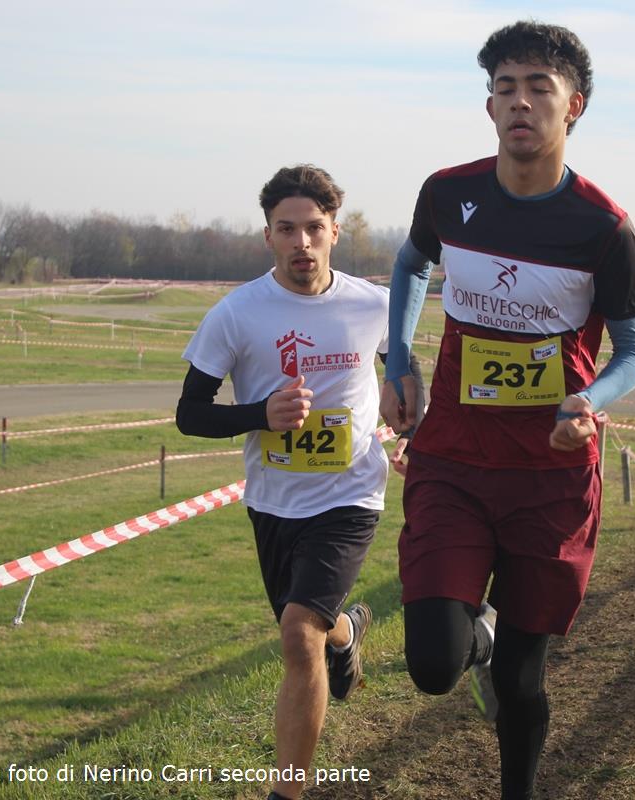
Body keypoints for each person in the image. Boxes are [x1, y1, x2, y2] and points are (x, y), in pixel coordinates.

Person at [380, 21, 635, 800]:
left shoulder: (604, 228)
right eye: (505, 88)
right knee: (434, 662)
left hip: (550, 474)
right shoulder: (448, 193)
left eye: (539, 88)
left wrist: (589, 400)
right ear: (489, 106)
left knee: (522, 678)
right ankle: (478, 634)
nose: (520, 102)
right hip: (454, 458)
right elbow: (412, 263)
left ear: (575, 106)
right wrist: (398, 360)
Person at [176, 165, 405, 800]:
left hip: (351, 494)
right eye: (287, 229)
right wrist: (260, 414)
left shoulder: (374, 305)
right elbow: (190, 414)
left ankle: (287, 792)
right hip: (274, 501)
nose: (302, 242)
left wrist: (411, 431)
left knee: (299, 635)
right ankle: (348, 633)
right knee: (310, 628)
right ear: (268, 237)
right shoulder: (236, 313)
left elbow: (403, 384)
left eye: (314, 228)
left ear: (335, 231)